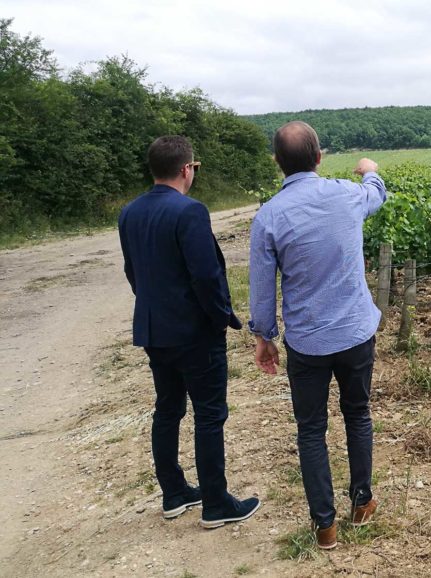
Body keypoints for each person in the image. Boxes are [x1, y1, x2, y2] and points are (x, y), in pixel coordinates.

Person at [248, 121, 386, 550]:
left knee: (310, 431)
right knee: (357, 414)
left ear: (277, 164)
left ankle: (324, 527)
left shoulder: (268, 216)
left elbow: (261, 286)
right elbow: (377, 194)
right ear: (320, 157)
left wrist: (264, 336)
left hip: (307, 342)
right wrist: (370, 168)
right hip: (355, 333)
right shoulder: (347, 194)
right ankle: (361, 504)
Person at [117, 135, 261, 529]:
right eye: (194, 168)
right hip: (194, 332)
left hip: (154, 329)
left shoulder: (128, 213)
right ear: (186, 169)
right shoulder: (190, 211)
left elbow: (133, 272)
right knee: (210, 415)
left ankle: (174, 492)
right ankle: (216, 503)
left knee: (167, 410)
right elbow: (207, 276)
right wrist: (221, 318)